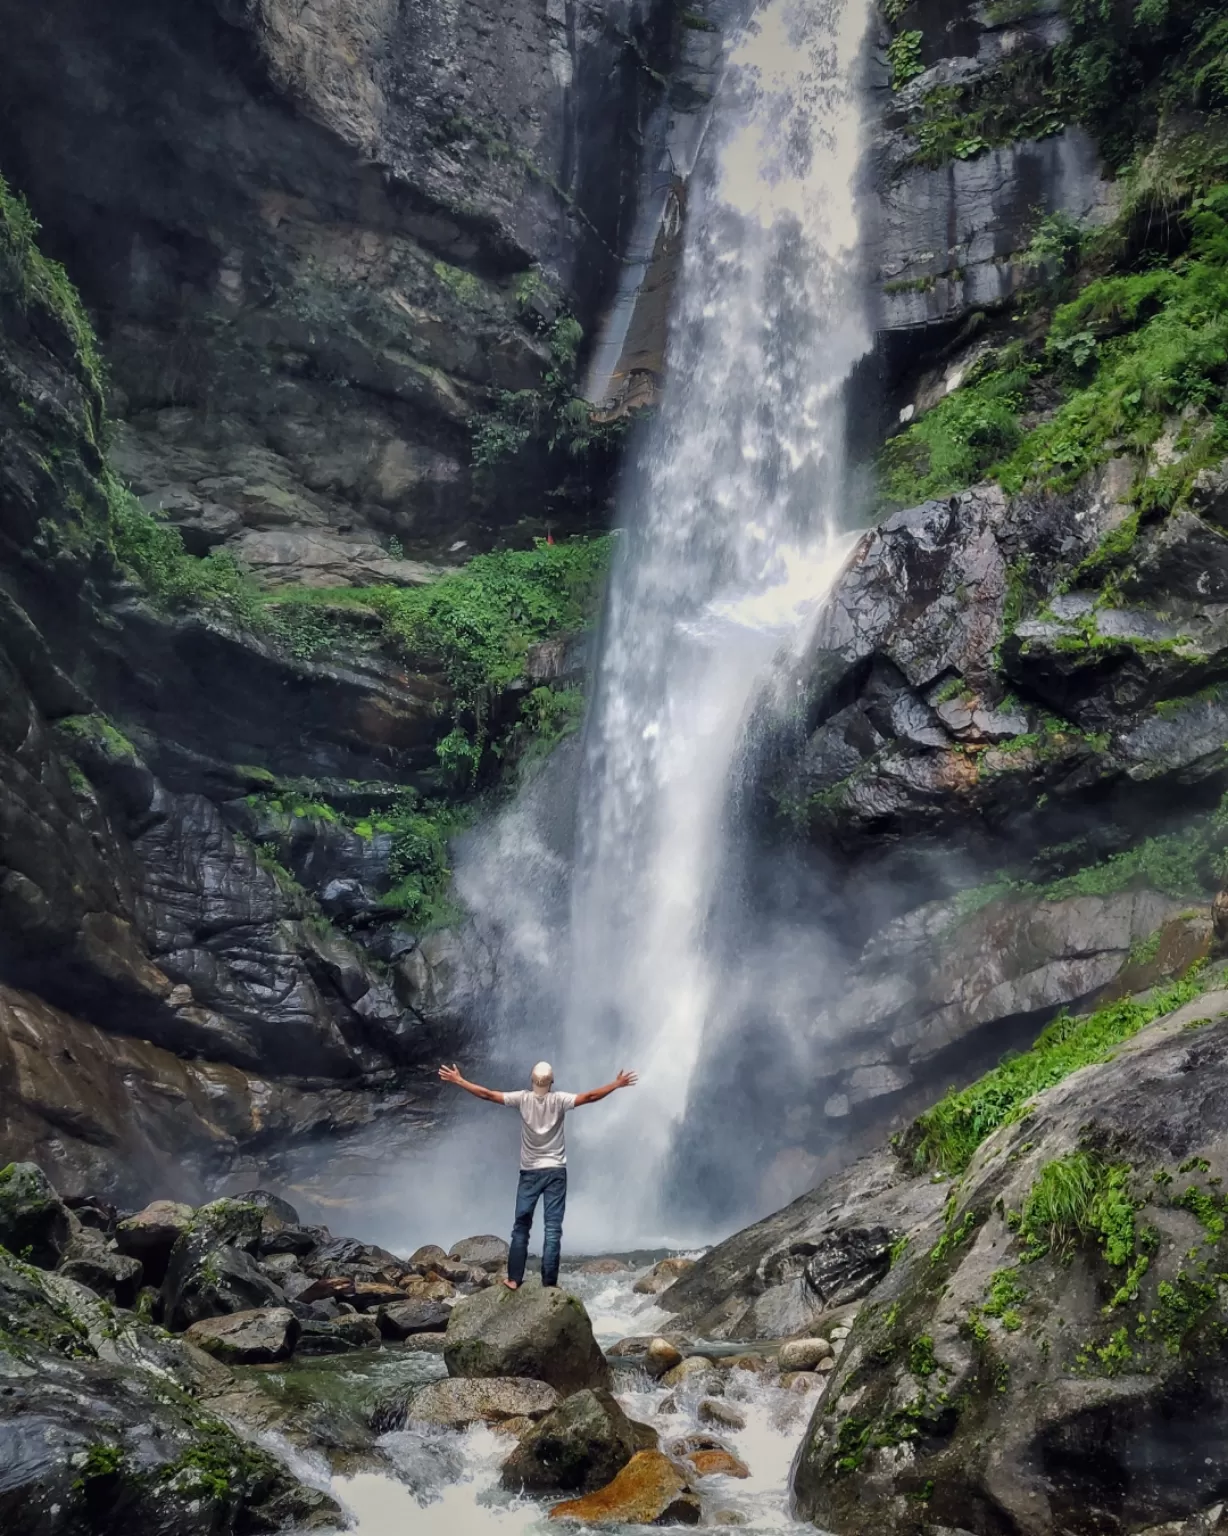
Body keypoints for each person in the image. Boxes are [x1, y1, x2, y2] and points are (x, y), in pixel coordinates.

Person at [437, 1059, 638, 1288]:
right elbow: (590, 1097)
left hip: (530, 1172)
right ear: (552, 1081)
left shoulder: (522, 1099)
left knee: (521, 1227)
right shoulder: (560, 1100)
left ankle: (514, 1279)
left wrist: (459, 1080)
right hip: (555, 1172)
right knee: (552, 1230)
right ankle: (549, 1284)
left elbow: (487, 1095)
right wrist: (616, 1084)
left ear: (532, 1081)